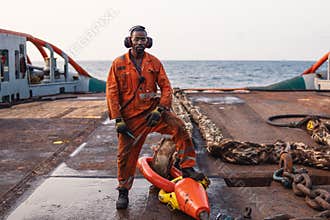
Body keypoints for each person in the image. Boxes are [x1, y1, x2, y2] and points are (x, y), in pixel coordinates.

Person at [106, 25, 206, 210]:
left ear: (148, 41)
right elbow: (112, 93)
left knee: (180, 128)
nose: (140, 42)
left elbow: (166, 87)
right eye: (136, 39)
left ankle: (187, 167)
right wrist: (118, 118)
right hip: (131, 118)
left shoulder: (154, 62)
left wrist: (160, 110)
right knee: (124, 156)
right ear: (129, 41)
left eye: (143, 39)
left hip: (153, 111)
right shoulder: (118, 64)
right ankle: (123, 190)